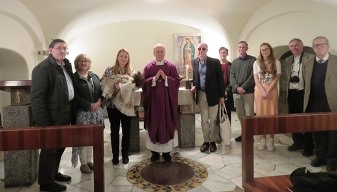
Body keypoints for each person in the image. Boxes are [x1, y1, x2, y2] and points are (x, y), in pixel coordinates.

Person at [31, 39, 74, 192]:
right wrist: (44, 124)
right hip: (51, 118)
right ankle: (46, 183)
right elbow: (37, 98)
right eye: (59, 48)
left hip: (63, 115)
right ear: (50, 50)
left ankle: (53, 173)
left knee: (60, 147)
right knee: (49, 149)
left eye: (65, 48)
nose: (62, 51)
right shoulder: (43, 68)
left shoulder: (64, 66)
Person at [303, 36, 337, 171]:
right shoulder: (308, 61)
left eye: (322, 45)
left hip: (332, 103)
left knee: (333, 134)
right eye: (316, 45)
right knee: (317, 132)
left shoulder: (336, 60)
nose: (319, 47)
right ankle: (320, 156)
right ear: (313, 48)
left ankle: (332, 160)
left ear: (328, 46)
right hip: (314, 103)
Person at [142, 44, 180, 162]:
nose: (159, 53)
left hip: (167, 103)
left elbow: (177, 82)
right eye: (157, 51)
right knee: (153, 124)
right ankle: (154, 153)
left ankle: (167, 153)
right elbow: (143, 84)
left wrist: (166, 78)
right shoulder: (148, 67)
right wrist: (154, 79)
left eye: (161, 51)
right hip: (153, 104)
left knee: (167, 123)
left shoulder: (171, 66)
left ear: (165, 52)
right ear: (153, 53)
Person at [101, 49, 140, 165]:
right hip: (112, 106)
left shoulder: (132, 72)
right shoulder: (109, 70)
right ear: (117, 57)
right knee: (114, 131)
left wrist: (123, 87)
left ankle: (125, 155)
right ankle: (115, 156)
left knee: (126, 131)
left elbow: (136, 87)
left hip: (126, 105)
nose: (123, 59)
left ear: (128, 59)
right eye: (121, 56)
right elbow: (103, 84)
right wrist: (113, 88)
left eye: (126, 57)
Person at [279, 38, 314, 156]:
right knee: (293, 119)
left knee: (306, 120)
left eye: (296, 45)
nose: (294, 48)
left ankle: (308, 146)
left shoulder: (310, 58)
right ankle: (297, 142)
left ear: (302, 46)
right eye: (292, 46)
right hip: (292, 93)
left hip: (304, 93)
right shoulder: (288, 60)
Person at [71, 54, 104, 174]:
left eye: (86, 61)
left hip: (95, 113)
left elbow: (101, 91)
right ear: (76, 63)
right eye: (81, 61)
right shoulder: (73, 78)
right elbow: (74, 96)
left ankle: (89, 160)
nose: (84, 63)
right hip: (83, 112)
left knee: (92, 138)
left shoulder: (94, 76)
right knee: (83, 138)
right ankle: (83, 163)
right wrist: (89, 105)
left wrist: (99, 102)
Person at [191, 43, 225, 153]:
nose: (201, 50)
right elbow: (195, 77)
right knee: (204, 120)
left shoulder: (214, 62)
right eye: (199, 49)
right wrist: (194, 86)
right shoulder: (195, 62)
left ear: (207, 50)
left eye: (203, 49)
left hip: (213, 94)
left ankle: (213, 141)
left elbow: (220, 79)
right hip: (201, 94)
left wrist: (222, 96)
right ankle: (206, 141)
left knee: (214, 120)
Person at [253, 43, 281, 151]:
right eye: (262, 50)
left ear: (270, 50)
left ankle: (271, 141)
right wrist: (263, 91)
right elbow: (256, 79)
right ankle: (262, 140)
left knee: (272, 115)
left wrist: (268, 91)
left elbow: (276, 78)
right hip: (259, 91)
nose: (264, 51)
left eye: (266, 49)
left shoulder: (276, 62)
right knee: (260, 115)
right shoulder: (256, 63)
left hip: (272, 91)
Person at [230, 41, 256, 142]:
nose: (241, 49)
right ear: (237, 49)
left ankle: (250, 135)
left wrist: (243, 87)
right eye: (240, 47)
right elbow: (231, 76)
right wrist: (237, 87)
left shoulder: (253, 60)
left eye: (243, 47)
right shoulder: (235, 62)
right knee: (240, 114)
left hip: (248, 91)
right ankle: (243, 133)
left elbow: (253, 75)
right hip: (236, 92)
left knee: (249, 114)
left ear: (247, 48)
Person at [219, 47, 234, 122]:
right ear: (219, 54)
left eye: (224, 52)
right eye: (221, 52)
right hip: (218, 92)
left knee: (227, 112)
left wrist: (226, 90)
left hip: (228, 91)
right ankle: (219, 132)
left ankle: (227, 132)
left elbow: (233, 80)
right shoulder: (216, 65)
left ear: (227, 54)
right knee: (218, 113)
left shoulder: (231, 65)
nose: (223, 54)